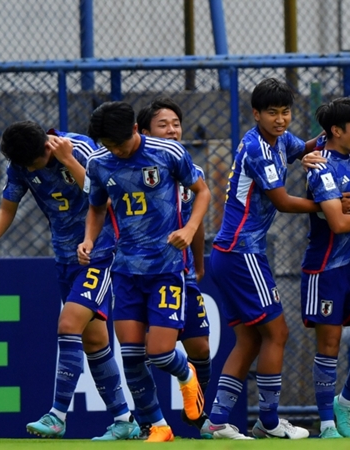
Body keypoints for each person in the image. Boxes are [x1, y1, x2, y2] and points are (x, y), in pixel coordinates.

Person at [0, 121, 138, 440]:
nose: (30, 167)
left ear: (46, 146)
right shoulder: (21, 165)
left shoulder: (82, 149)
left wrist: (69, 161)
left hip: (100, 252)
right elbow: (8, 208)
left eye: (34, 162)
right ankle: (124, 419)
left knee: (68, 325)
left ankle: (57, 415)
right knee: (93, 341)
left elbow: (105, 200)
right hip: (65, 256)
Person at [79, 101, 209, 442]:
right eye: (109, 145)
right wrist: (89, 240)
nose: (116, 151)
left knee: (161, 352)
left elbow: (203, 191)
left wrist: (190, 229)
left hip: (166, 268)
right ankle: (159, 426)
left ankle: (186, 375)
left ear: (136, 131)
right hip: (124, 270)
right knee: (132, 355)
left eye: (119, 144)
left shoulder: (167, 153)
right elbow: (95, 207)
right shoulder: (99, 163)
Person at [206, 78, 328, 440]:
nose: (280, 119)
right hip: (241, 253)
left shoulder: (278, 140)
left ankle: (217, 421)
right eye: (271, 113)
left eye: (286, 111)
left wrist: (340, 130)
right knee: (278, 332)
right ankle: (270, 421)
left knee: (250, 340)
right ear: (256, 114)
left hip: (228, 254)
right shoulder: (257, 147)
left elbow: (303, 146)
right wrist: (328, 207)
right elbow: (283, 201)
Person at [301, 97, 350, 439]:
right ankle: (328, 425)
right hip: (327, 269)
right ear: (337, 131)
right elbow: (338, 223)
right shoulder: (320, 166)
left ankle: (343, 402)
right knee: (329, 345)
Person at [136, 98, 212, 437]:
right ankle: (149, 421)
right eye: (163, 125)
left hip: (182, 273)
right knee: (144, 350)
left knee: (200, 348)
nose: (172, 130)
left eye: (176, 124)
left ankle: (200, 413)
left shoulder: (190, 169)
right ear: (144, 132)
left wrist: (198, 263)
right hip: (146, 273)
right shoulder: (137, 170)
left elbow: (197, 221)